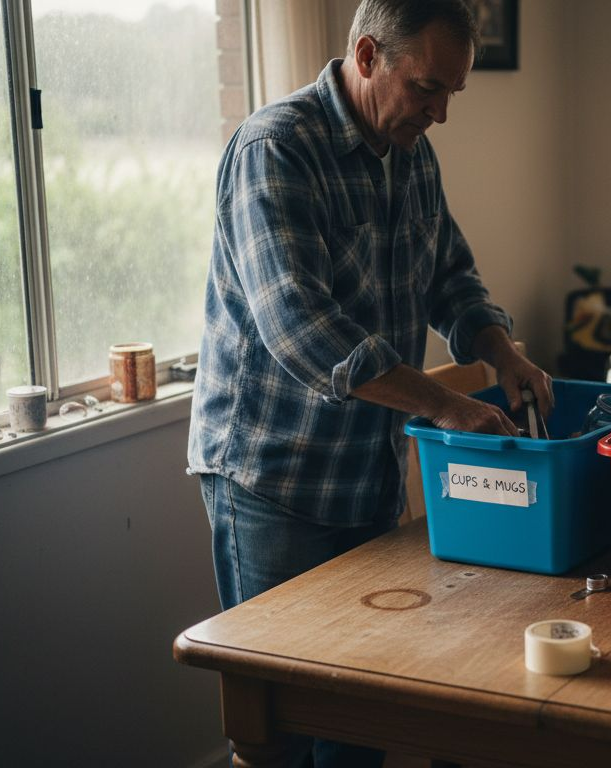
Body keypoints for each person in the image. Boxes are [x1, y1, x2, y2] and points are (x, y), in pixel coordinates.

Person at [186, 1, 550, 764]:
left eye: (452, 92)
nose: (440, 113)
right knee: (278, 728)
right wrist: (448, 404)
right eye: (426, 88)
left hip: (366, 476)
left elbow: (452, 277)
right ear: (365, 56)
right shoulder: (274, 149)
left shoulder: (411, 149)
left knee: (362, 725)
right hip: (271, 482)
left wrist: (501, 352)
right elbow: (298, 328)